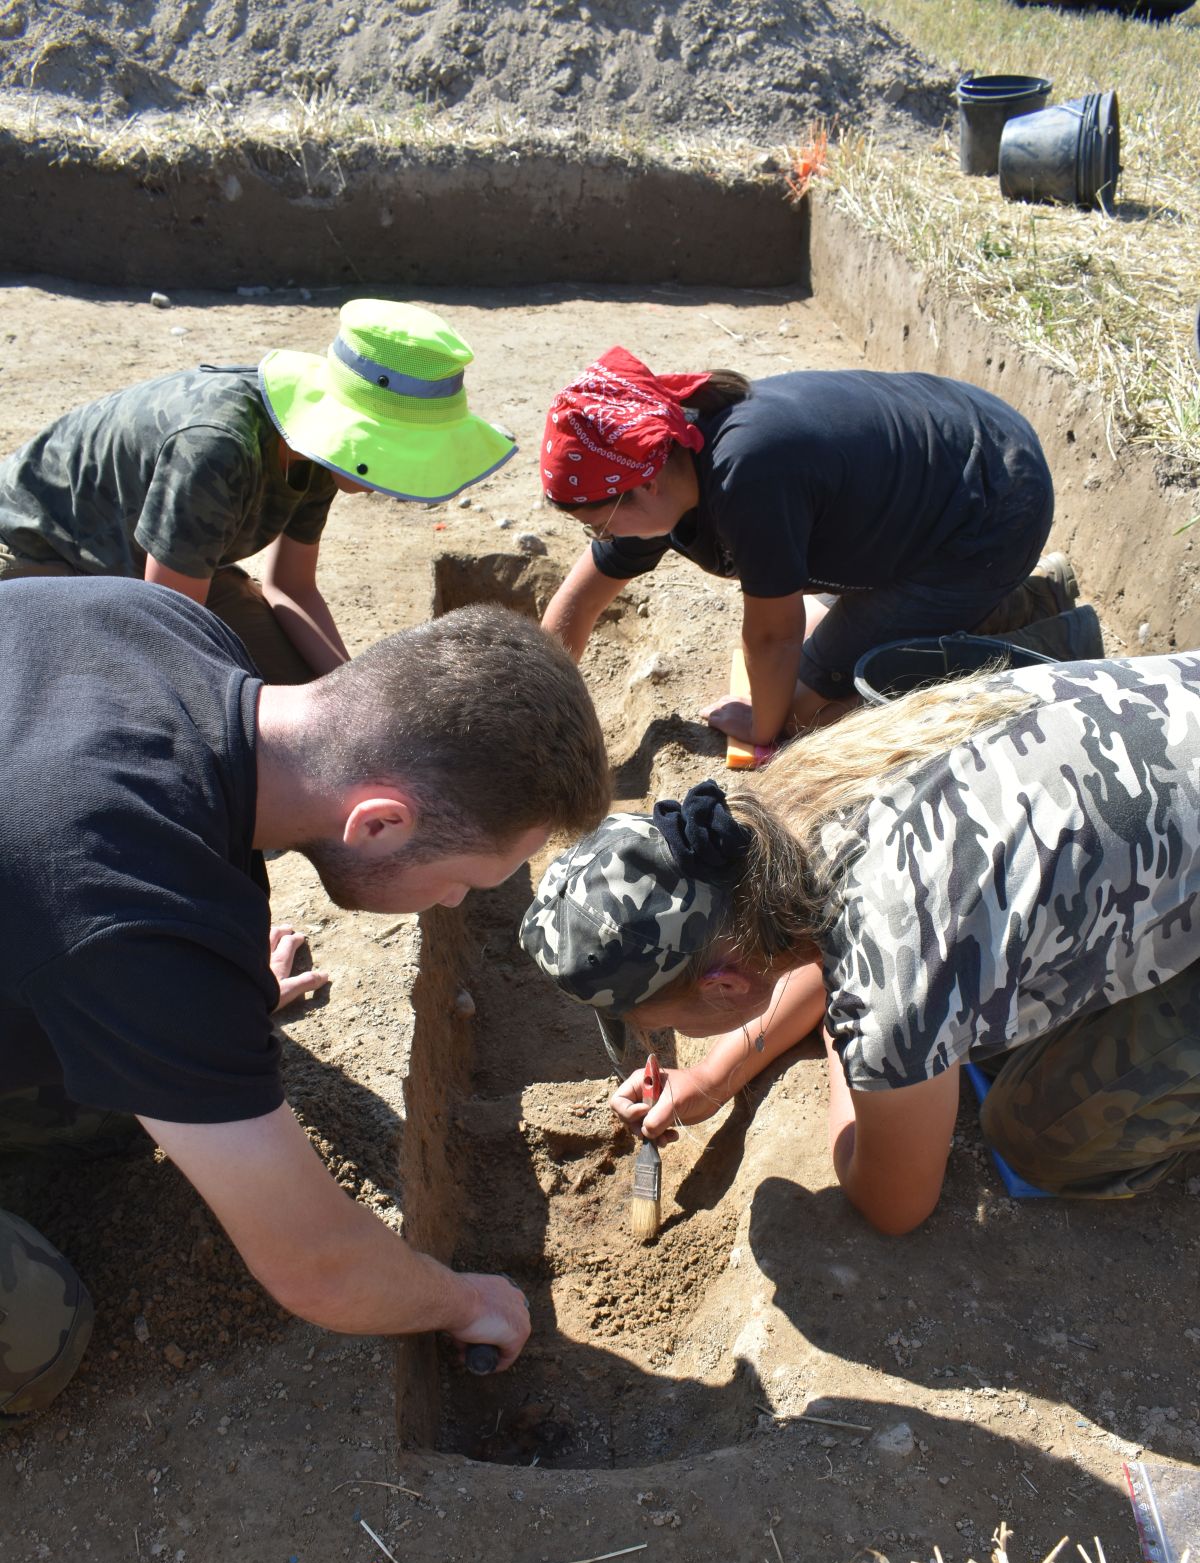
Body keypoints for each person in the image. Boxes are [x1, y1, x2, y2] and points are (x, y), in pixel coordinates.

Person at [0, 577, 609, 1417]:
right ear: (380, 823)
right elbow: (316, 1265)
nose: (456, 905)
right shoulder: (122, 909)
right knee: (36, 1337)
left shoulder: (161, 623)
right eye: (464, 880)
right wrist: (467, 1301)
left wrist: (206, 996)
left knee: (109, 1104)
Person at [521, 653, 1200, 1235]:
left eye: (661, 1027)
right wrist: (711, 1077)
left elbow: (893, 1203)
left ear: (725, 985)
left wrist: (849, 1044)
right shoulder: (806, 797)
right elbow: (824, 951)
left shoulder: (886, 986)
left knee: (1041, 1133)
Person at [538, 346, 1086, 748]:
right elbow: (582, 602)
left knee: (806, 717)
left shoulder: (744, 476)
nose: (604, 541)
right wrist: (536, 711)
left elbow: (772, 636)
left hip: (990, 509)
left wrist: (762, 726)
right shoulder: (666, 452)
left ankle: (1039, 642)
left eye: (602, 526)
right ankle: (989, 604)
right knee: (808, 639)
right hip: (951, 467)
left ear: (646, 482)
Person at [0, 299, 516, 683]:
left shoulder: (318, 451)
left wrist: (355, 693)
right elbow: (166, 634)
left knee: (306, 701)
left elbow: (291, 588)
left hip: (164, 571)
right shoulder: (216, 448)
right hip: (41, 551)